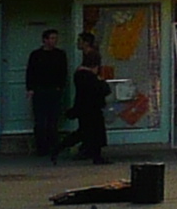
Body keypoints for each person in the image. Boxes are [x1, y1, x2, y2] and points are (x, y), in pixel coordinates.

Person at [25, 29, 71, 161]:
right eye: (51, 38)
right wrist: (30, 88)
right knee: (40, 120)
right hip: (39, 90)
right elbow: (30, 71)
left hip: (54, 90)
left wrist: (60, 87)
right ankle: (41, 147)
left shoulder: (60, 54)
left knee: (53, 119)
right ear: (44, 40)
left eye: (55, 39)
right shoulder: (36, 55)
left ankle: (53, 146)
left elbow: (63, 72)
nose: (54, 41)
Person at [67, 46, 112, 166]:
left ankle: (87, 151)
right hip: (92, 108)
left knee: (86, 131)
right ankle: (95, 155)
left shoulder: (80, 74)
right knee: (94, 132)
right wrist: (101, 80)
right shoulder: (89, 77)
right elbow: (102, 89)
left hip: (84, 107)